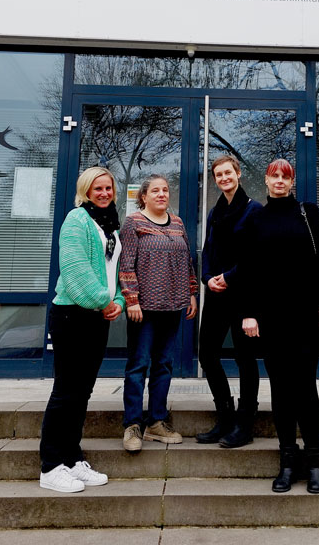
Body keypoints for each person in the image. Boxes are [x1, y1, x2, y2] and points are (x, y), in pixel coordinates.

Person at [237, 158, 319, 494]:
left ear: (292, 182)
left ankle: (314, 462)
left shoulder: (308, 214)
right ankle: (287, 461)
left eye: (285, 177)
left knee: (305, 388)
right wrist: (249, 313)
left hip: (306, 318)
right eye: (274, 176)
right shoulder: (257, 219)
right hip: (271, 320)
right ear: (266, 182)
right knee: (281, 390)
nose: (279, 181)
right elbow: (248, 271)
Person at [39, 166, 125, 493]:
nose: (104, 193)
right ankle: (50, 466)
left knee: (82, 392)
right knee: (65, 391)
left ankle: (72, 459)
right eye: (97, 188)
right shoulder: (76, 220)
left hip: (95, 317)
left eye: (108, 188)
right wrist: (104, 300)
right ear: (86, 191)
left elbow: (110, 271)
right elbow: (75, 273)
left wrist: (115, 298)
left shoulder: (111, 226)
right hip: (72, 315)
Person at [120, 174, 199, 452]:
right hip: (143, 308)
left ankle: (156, 421)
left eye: (165, 190)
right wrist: (131, 299)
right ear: (143, 196)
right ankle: (132, 425)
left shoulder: (177, 223)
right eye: (155, 190)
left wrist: (191, 293)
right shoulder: (133, 223)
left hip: (173, 306)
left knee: (163, 365)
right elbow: (126, 263)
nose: (161, 194)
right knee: (138, 365)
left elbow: (188, 261)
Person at [196, 155, 263, 447]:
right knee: (207, 354)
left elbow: (257, 258)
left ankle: (245, 425)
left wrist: (230, 276)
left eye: (228, 172)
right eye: (218, 174)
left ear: (238, 173)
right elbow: (207, 249)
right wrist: (208, 277)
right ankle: (224, 417)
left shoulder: (254, 211)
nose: (223, 178)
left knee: (245, 359)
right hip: (216, 295)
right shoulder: (214, 212)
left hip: (243, 295)